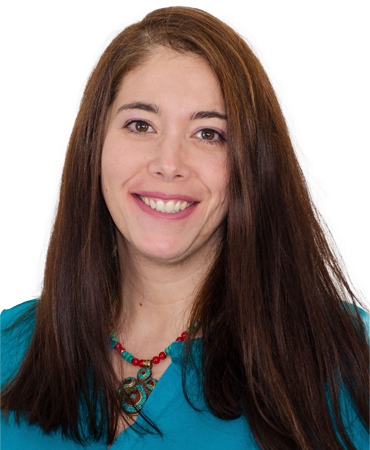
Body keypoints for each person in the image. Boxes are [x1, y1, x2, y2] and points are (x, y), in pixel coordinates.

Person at [1, 4, 370, 450]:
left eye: (208, 133)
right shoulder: (7, 346)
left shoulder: (349, 356)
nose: (169, 164)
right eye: (140, 125)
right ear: (94, 148)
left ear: (252, 165)